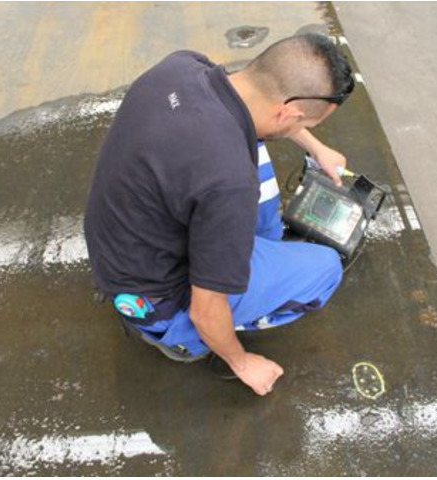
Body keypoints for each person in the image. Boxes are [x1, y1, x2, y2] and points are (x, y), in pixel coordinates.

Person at [84, 34, 355, 396]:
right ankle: (182, 340)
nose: (303, 132)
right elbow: (205, 309)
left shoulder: (181, 66)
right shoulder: (229, 182)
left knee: (252, 145)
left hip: (121, 244)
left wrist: (318, 149)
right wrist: (243, 363)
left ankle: (242, 261)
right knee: (325, 268)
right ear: (288, 112)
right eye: (305, 126)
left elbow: (262, 111)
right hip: (154, 298)